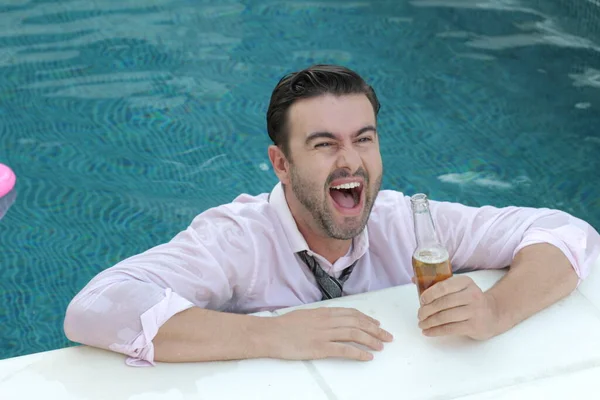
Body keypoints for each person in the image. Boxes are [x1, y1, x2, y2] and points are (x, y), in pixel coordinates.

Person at [64, 64, 600, 367]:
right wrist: (273, 335)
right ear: (281, 162)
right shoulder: (236, 240)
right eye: (324, 144)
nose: (351, 162)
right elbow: (94, 309)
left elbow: (566, 232)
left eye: (364, 139)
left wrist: (495, 311)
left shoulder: (406, 222)